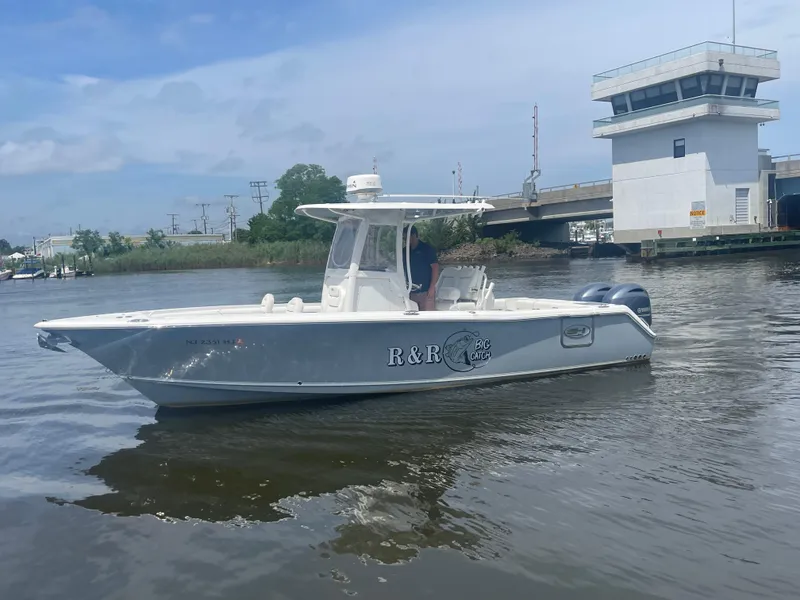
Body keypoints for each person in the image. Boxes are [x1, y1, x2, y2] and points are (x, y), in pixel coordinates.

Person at [402, 225, 439, 311]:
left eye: (406, 238)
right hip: (410, 291)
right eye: (404, 239)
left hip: (425, 291)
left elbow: (435, 268)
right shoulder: (404, 251)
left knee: (427, 316)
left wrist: (432, 287)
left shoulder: (426, 249)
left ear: (414, 235)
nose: (405, 241)